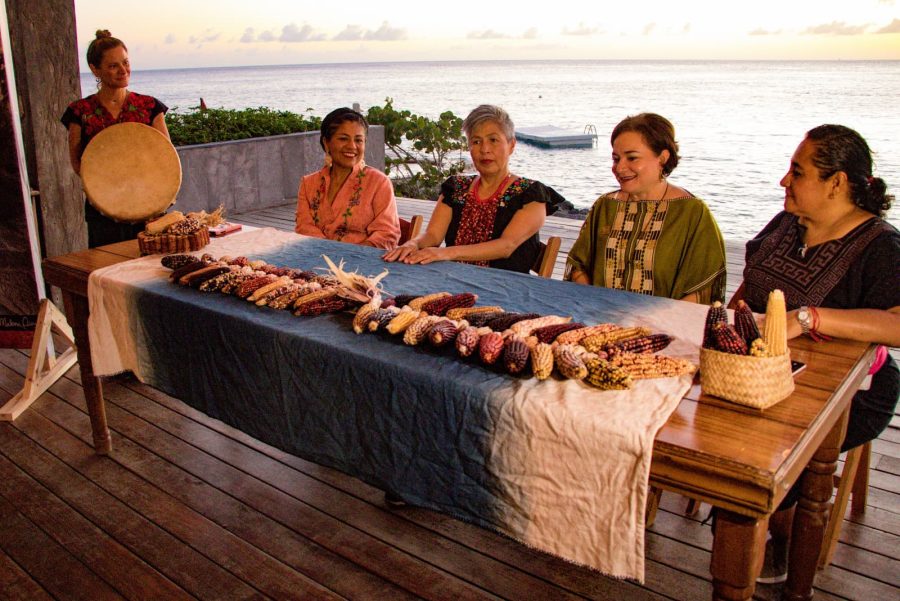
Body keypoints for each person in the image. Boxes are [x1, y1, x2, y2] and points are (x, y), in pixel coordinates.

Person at [739, 124, 899, 584]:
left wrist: (809, 318)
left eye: (797, 171)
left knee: (771, 446)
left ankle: (779, 535)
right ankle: (745, 511)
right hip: (763, 370)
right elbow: (751, 287)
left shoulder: (880, 246)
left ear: (837, 182)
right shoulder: (787, 223)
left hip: (851, 392)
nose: (784, 182)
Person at [564, 113, 726, 303]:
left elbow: (703, 286)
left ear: (663, 158)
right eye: (616, 159)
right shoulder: (606, 206)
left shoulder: (692, 212)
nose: (619, 168)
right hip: (599, 322)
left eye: (632, 158)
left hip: (664, 326)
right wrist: (594, 304)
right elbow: (578, 265)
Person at [382, 104, 564, 273]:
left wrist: (446, 253)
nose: (485, 149)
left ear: (511, 145)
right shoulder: (456, 188)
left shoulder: (530, 194)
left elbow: (506, 246)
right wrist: (413, 244)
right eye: (476, 141)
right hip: (454, 280)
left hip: (506, 291)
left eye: (493, 140)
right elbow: (433, 236)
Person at [61, 29, 170, 248]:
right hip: (102, 211)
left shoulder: (149, 107)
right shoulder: (80, 111)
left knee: (147, 272)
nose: (123, 70)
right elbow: (77, 163)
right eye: (113, 66)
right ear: (95, 69)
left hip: (149, 206)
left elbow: (165, 157)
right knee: (107, 270)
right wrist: (109, 191)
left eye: (125, 62)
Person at [295, 107, 400, 249]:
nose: (352, 146)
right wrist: (329, 254)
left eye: (359, 140)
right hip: (316, 259)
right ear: (326, 143)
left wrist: (350, 256)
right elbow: (303, 228)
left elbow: (387, 233)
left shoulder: (379, 183)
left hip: (362, 265)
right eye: (343, 139)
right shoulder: (309, 184)